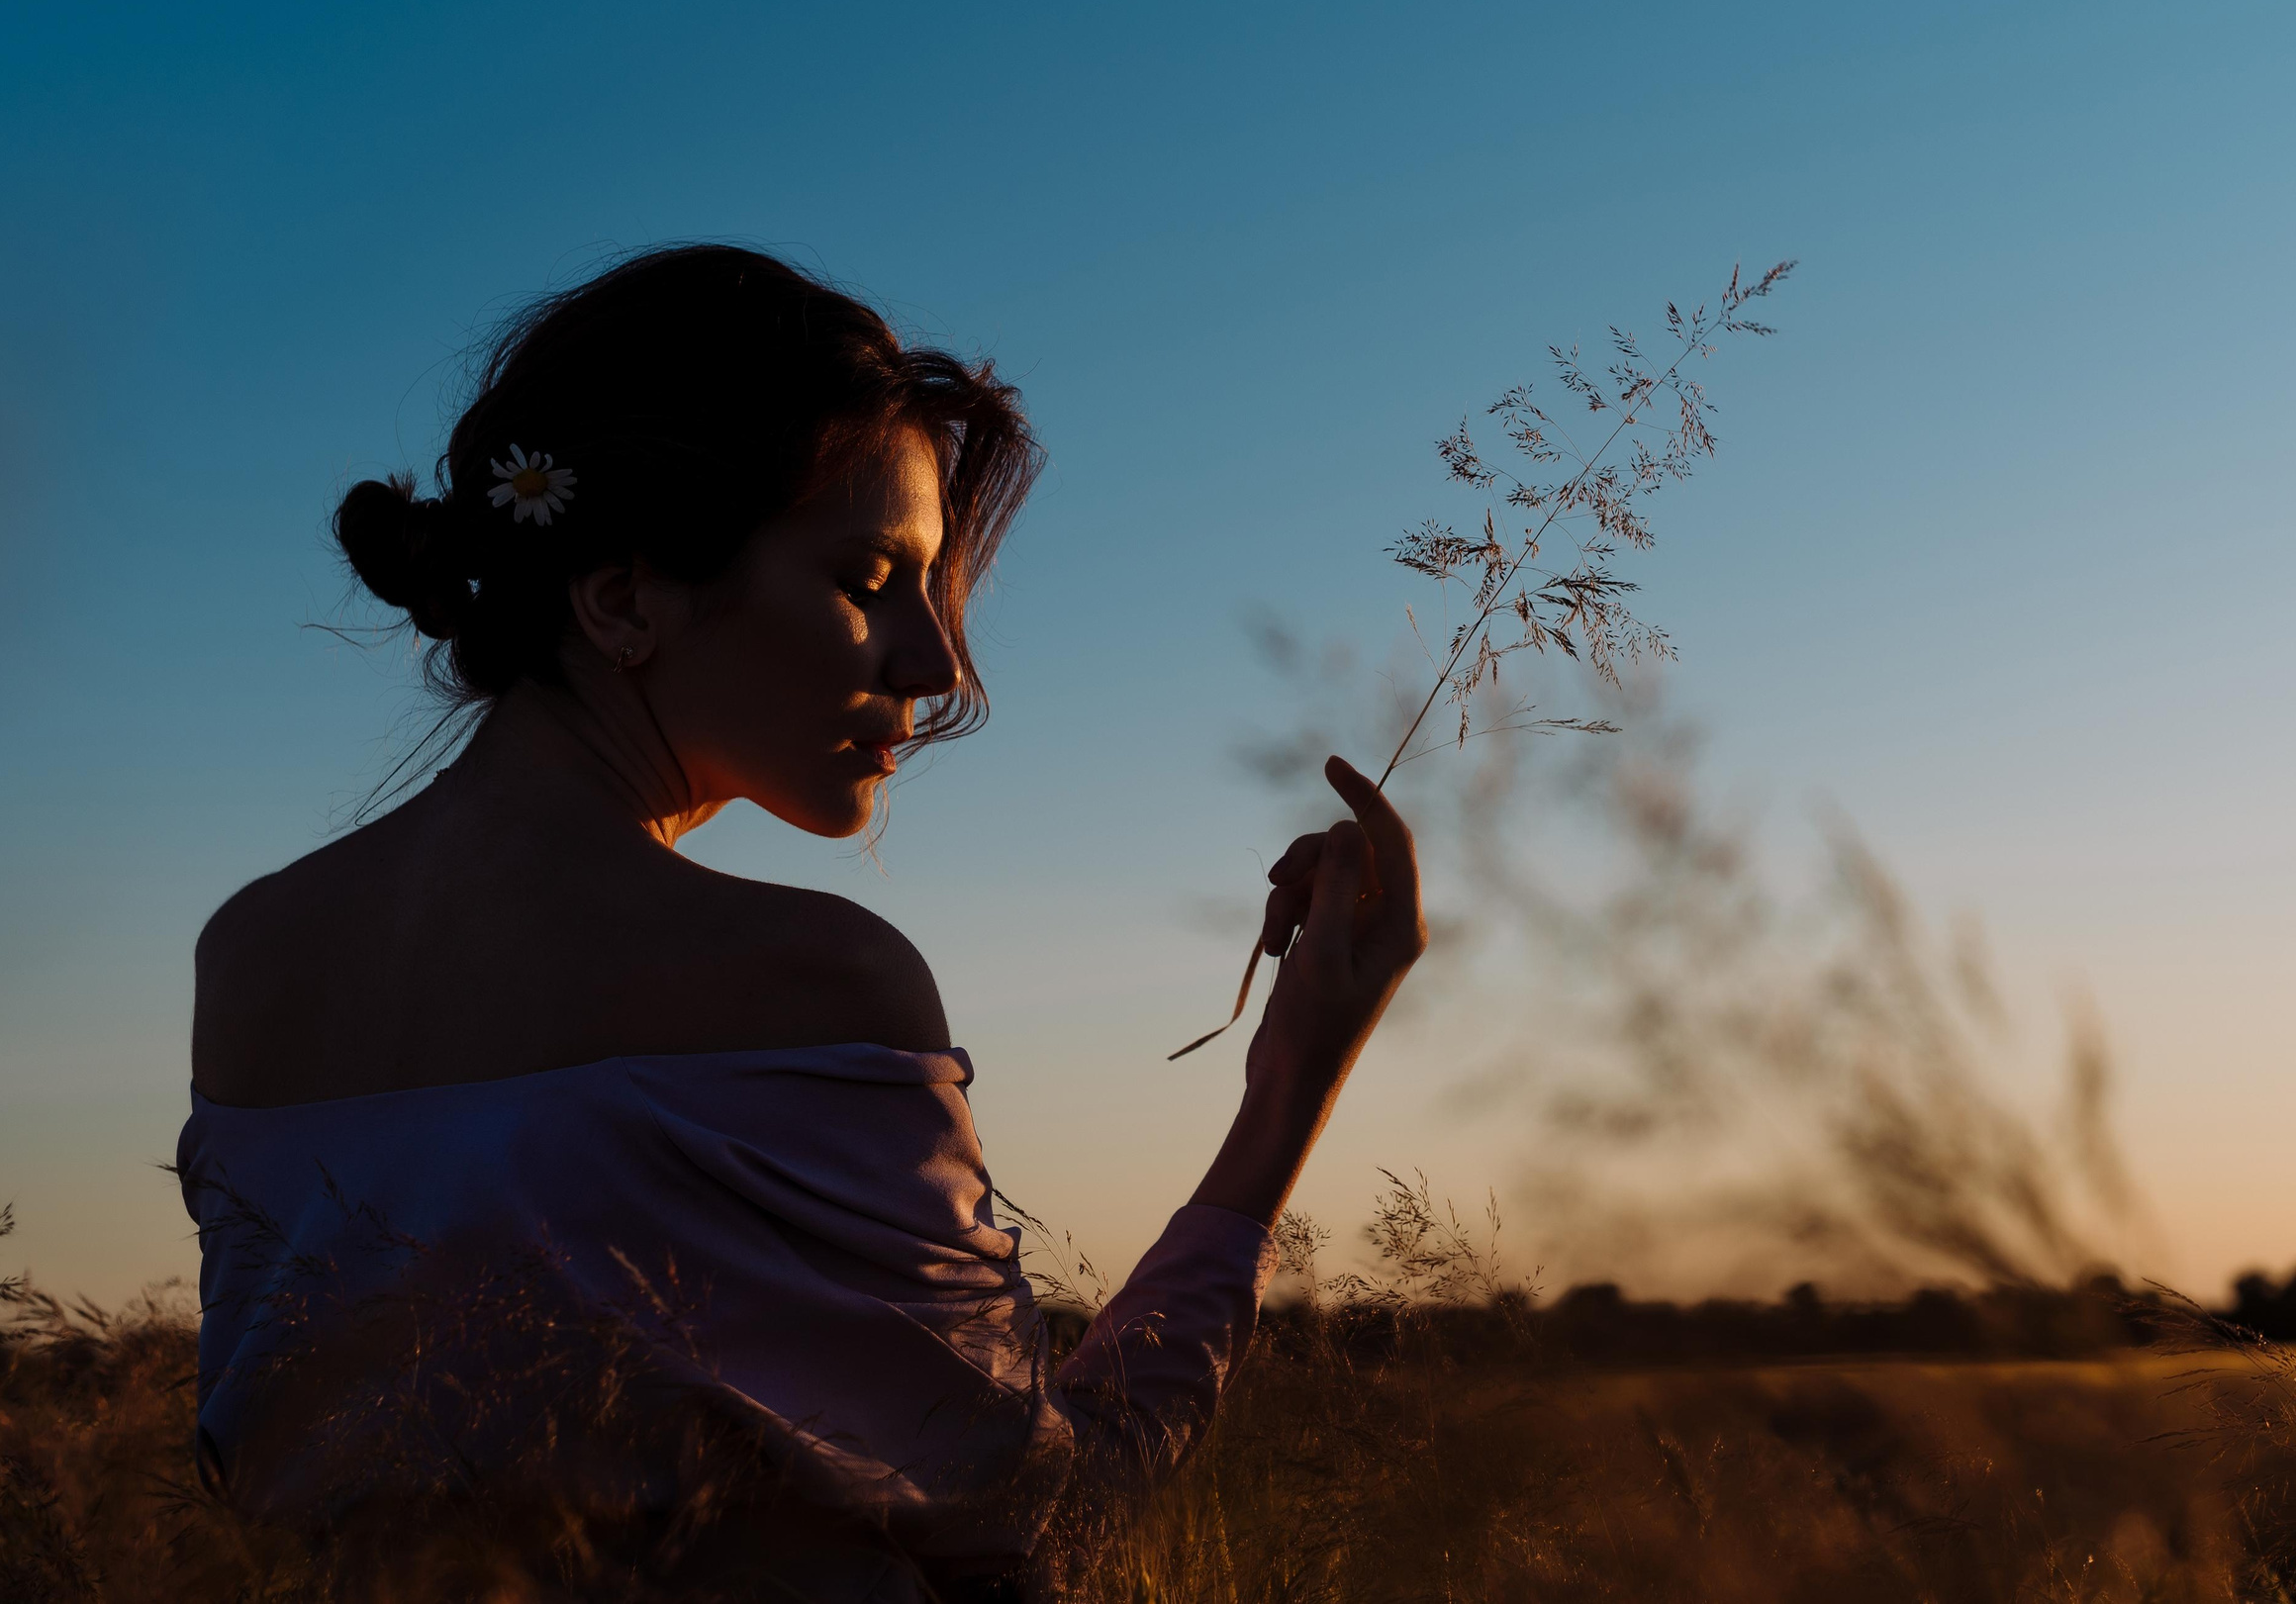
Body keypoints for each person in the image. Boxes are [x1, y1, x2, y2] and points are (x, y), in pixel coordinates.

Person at [176, 244, 1425, 1599]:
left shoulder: (253, 956)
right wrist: (1291, 1083)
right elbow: (1053, 1527)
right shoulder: (811, 982)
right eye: (868, 577)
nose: (935, 665)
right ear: (622, 596)